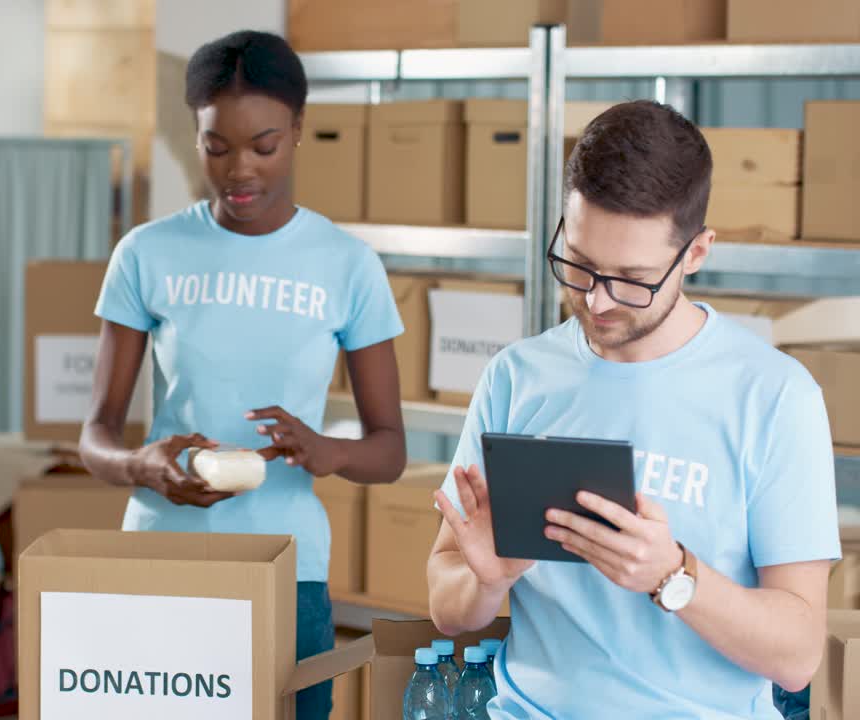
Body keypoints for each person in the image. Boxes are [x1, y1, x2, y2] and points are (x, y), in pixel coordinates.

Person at [426, 100, 839, 718]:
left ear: (696, 253)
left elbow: (798, 654)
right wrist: (489, 580)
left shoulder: (776, 397)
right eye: (580, 264)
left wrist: (673, 576)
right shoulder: (516, 377)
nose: (598, 300)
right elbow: (446, 600)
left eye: (631, 278)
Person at [78, 30, 406, 719]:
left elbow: (390, 450)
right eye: (215, 148)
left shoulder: (347, 265)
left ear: (297, 131)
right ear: (194, 135)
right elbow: (95, 438)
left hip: (289, 569)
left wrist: (325, 451)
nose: (239, 172)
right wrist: (143, 465)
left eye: (264, 146)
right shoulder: (146, 254)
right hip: (161, 559)